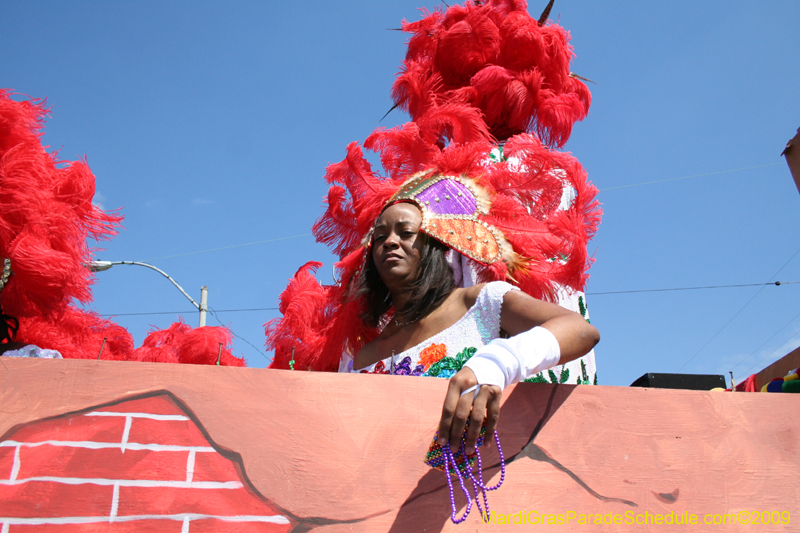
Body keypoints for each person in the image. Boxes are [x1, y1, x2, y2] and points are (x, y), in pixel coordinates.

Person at [342, 199, 599, 455]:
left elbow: (580, 330)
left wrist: (498, 363)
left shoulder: (480, 302)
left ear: (434, 245)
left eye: (406, 232)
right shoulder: (363, 356)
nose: (390, 242)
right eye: (379, 237)